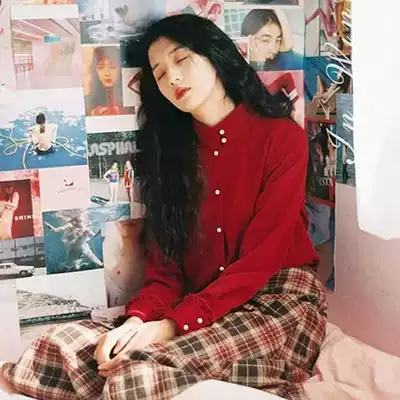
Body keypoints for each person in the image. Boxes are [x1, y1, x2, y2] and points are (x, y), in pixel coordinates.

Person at [1, 14, 327, 400]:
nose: (172, 77)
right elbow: (166, 271)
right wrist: (136, 322)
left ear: (215, 55)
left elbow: (261, 259)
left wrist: (169, 327)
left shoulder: (281, 138)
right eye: (159, 72)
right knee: (60, 345)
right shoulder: (172, 160)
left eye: (181, 59)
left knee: (134, 377)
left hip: (277, 300)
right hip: (201, 305)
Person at [85, 47, 129, 116]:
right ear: (95, 71)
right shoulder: (86, 102)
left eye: (112, 67)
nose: (107, 73)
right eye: (101, 67)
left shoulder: (131, 99)